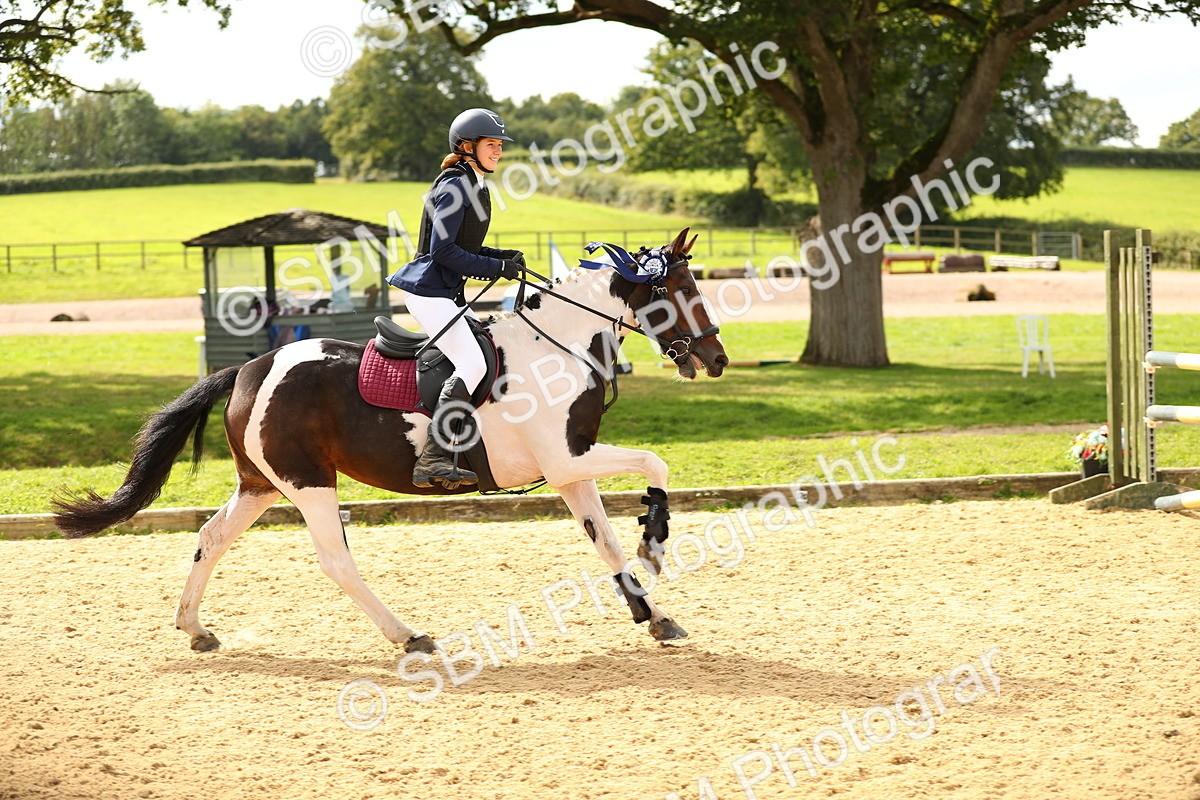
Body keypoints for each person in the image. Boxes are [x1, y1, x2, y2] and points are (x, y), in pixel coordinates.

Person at [388, 108, 525, 489]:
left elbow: (468, 246)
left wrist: (502, 257)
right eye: (491, 145)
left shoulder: (473, 183)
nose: (497, 152)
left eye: (499, 145)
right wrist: (496, 270)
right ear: (467, 146)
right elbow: (444, 251)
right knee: (472, 363)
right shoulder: (454, 185)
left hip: (446, 292)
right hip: (430, 292)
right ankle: (432, 455)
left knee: (484, 352)